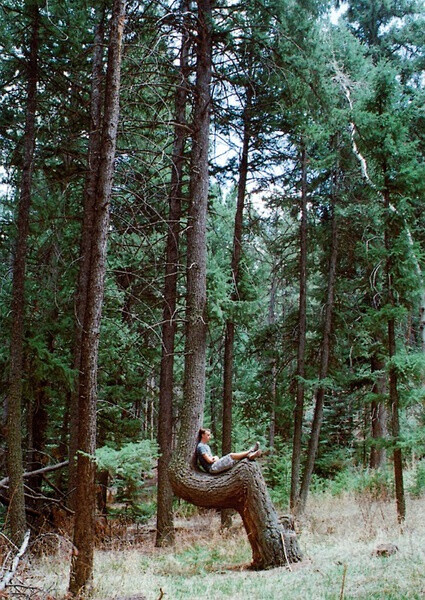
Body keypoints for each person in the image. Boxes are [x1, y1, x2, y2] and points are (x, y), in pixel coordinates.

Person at [196, 428, 261, 474]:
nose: (210, 437)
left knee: (234, 460)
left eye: (209, 435)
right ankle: (251, 451)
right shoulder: (201, 446)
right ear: (202, 435)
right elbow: (209, 460)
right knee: (231, 456)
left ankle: (250, 455)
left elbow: (211, 458)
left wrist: (215, 458)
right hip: (212, 468)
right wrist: (215, 457)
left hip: (214, 465)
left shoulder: (206, 446)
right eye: (208, 435)